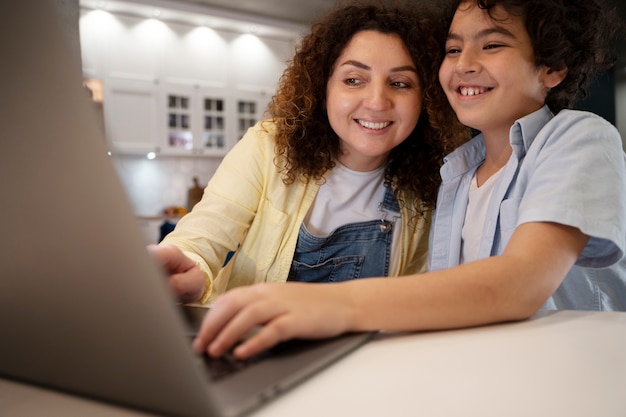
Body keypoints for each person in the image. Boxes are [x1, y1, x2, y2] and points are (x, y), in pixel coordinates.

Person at [190, 0, 626, 361]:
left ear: (553, 69)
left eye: (491, 45)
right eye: (453, 51)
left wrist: (330, 305)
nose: (465, 65)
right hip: (489, 373)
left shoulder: (579, 138)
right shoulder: (457, 174)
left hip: (572, 372)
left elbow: (519, 284)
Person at [149, 2, 467, 304]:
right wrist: (191, 266)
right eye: (354, 80)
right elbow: (207, 232)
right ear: (323, 89)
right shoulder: (269, 146)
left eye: (399, 83)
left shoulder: (436, 182)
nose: (376, 102)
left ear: (425, 98)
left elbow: (418, 293)